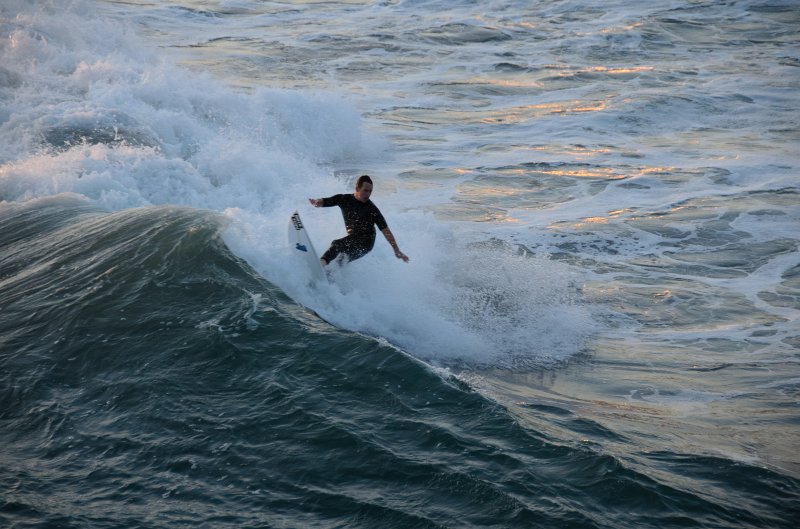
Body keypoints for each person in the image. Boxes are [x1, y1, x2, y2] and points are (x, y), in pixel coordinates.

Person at [309, 175, 409, 267]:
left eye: (370, 191)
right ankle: (328, 277)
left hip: (366, 243)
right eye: (365, 190)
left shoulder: (372, 209)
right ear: (357, 188)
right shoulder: (344, 199)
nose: (368, 194)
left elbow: (385, 230)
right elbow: (327, 201)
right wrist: (318, 202)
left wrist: (397, 250)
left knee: (337, 245)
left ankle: (320, 265)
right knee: (340, 261)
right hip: (353, 238)